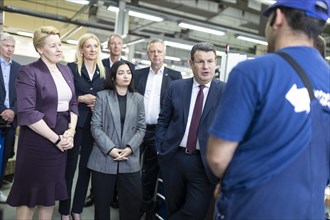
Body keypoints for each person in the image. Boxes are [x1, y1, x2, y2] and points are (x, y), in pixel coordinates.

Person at [207, 0, 330, 219]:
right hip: (311, 211)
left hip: (253, 208)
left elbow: (218, 158)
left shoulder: (253, 72)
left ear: (279, 17)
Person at [6, 26, 78, 220]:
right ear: (39, 49)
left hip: (62, 140)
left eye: (60, 45)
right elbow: (28, 113)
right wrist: (56, 139)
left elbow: (73, 104)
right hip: (38, 141)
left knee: (49, 194)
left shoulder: (66, 70)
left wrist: (70, 132)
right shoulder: (29, 72)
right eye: (53, 45)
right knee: (28, 194)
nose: (59, 49)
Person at [155, 42, 226, 220]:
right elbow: (163, 120)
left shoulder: (225, 91)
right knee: (173, 207)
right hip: (174, 158)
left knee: (195, 212)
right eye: (200, 61)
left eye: (210, 61)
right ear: (191, 63)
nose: (206, 66)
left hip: (203, 163)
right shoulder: (177, 87)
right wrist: (161, 148)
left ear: (215, 63)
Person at [87, 60, 146, 220]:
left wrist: (129, 148)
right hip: (104, 157)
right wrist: (111, 150)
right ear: (113, 77)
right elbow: (96, 127)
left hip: (129, 157)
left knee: (132, 205)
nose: (126, 76)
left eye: (128, 72)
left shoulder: (138, 99)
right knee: (101, 207)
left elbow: (141, 128)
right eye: (121, 72)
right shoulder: (102, 96)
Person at [58, 33, 107, 220]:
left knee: (86, 170)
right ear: (81, 49)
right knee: (69, 169)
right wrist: (80, 98)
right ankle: (64, 211)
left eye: (95, 46)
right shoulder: (71, 69)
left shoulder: (104, 71)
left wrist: (98, 103)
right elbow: (64, 94)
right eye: (88, 46)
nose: (92, 49)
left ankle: (76, 210)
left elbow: (107, 96)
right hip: (74, 124)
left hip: (94, 127)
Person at [83, 34, 135, 209]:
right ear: (108, 46)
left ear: (122, 46)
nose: (116, 46)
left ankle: (114, 195)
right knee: (99, 160)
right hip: (98, 114)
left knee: (117, 162)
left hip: (120, 119)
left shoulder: (129, 66)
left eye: (119, 43)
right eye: (112, 43)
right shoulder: (101, 64)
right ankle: (95, 193)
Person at [134, 39, 182, 219]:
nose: (156, 55)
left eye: (159, 51)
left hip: (158, 132)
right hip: (137, 129)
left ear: (165, 53)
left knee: (150, 172)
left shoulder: (175, 77)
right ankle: (132, 204)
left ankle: (146, 207)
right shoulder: (137, 74)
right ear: (148, 54)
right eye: (152, 51)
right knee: (131, 170)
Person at [0, 32, 20, 202]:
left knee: (5, 156)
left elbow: (23, 94)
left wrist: (13, 110)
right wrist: (3, 110)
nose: (10, 49)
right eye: (7, 45)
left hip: (11, 120)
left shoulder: (19, 68)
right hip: (1, 114)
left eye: (12, 46)